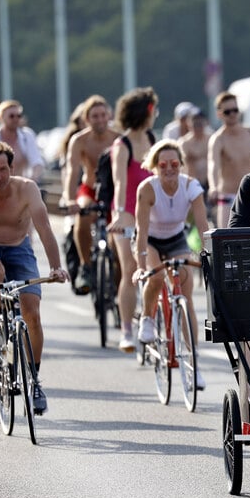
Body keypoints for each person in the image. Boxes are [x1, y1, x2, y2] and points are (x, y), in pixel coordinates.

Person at [0, 142, 69, 414]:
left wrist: (56, 267)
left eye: (3, 170)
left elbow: (44, 229)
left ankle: (34, 381)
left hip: (19, 249)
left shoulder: (27, 189)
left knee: (32, 310)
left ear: (12, 167)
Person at [132, 140, 210, 386]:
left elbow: (203, 226)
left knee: (184, 293)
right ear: (155, 166)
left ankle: (193, 362)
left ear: (181, 165)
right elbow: (141, 233)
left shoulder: (191, 186)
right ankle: (146, 317)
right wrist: (141, 266)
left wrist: (208, 256)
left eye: (174, 164)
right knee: (155, 277)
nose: (169, 169)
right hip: (151, 241)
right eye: (163, 164)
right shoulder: (147, 189)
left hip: (176, 239)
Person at [107, 87, 158, 351]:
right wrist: (119, 214)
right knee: (129, 269)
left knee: (158, 268)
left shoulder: (152, 138)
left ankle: (150, 316)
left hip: (151, 211)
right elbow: (119, 183)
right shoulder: (122, 145)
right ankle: (126, 329)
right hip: (125, 212)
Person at [61, 95, 118, 292]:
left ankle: (119, 286)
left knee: (118, 240)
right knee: (82, 217)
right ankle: (86, 265)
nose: (100, 119)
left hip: (113, 192)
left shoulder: (117, 138)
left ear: (109, 115)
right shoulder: (79, 140)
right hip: (90, 189)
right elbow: (72, 171)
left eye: (103, 115)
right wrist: (69, 199)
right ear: (87, 119)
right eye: (95, 116)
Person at [207, 92, 250, 228]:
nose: (232, 114)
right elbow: (213, 164)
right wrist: (213, 187)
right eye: (227, 111)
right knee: (225, 241)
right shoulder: (218, 139)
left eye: (235, 110)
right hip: (228, 198)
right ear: (219, 114)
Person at [0, 100, 46, 183]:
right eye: (11, 116)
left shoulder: (27, 136)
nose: (16, 119)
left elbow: (37, 162)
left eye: (19, 116)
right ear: (1, 117)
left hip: (21, 187)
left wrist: (32, 179)